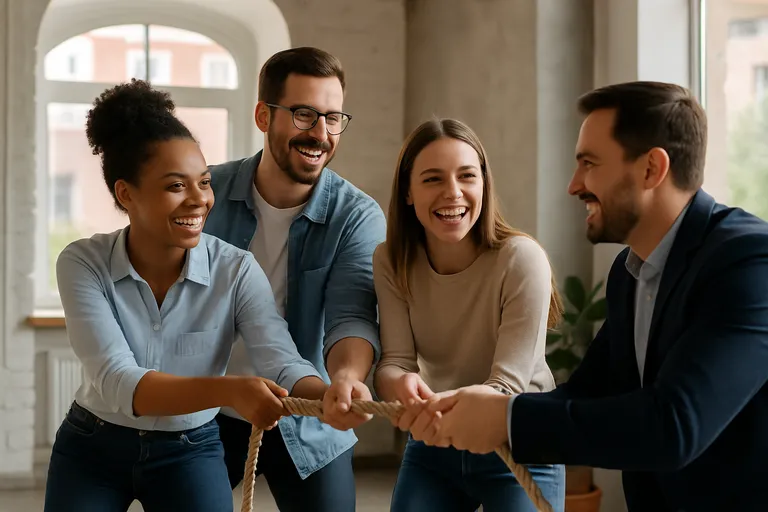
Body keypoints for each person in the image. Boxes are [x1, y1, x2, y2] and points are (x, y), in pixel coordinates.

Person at [422, 81, 768, 511]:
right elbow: (588, 393)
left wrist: (505, 420)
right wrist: (484, 408)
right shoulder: (629, 273)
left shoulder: (751, 262)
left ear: (651, 169)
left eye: (589, 163)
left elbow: (675, 426)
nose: (573, 185)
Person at [44, 79, 330, 512]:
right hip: (92, 447)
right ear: (126, 193)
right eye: (176, 186)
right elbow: (120, 382)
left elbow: (282, 361)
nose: (200, 200)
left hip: (189, 450)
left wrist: (327, 396)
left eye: (204, 182)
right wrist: (230, 391)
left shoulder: (236, 269)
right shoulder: (83, 263)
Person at [202, 47, 386, 511]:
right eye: (304, 114)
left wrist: (345, 379)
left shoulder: (357, 215)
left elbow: (352, 315)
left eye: (333, 118)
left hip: (309, 410)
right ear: (264, 116)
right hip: (208, 409)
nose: (320, 134)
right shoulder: (206, 193)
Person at [372, 117, 566, 512]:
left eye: (467, 176)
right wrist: (400, 385)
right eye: (433, 179)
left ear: (484, 184)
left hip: (518, 439)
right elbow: (395, 362)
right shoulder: (391, 260)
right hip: (435, 444)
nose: (453, 192)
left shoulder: (522, 259)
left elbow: (506, 386)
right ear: (407, 192)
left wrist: (434, 407)